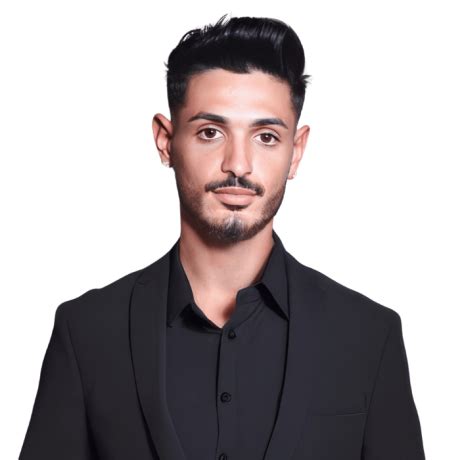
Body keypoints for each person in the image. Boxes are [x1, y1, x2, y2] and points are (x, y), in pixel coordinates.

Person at [19, 14, 425, 460]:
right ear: (166, 141)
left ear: (296, 152)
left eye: (266, 136)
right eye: (210, 132)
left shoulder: (368, 336)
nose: (239, 164)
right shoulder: (87, 332)